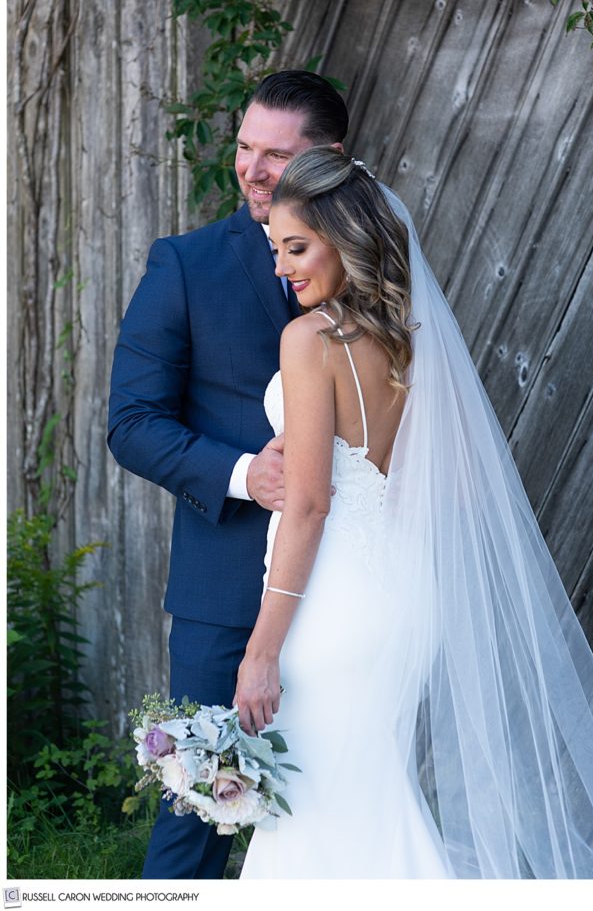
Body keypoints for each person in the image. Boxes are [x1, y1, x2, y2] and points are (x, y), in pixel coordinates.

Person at [234, 146, 593, 879]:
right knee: (364, 800)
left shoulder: (310, 342)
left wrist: (261, 651)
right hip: (403, 601)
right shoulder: (411, 339)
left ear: (344, 237)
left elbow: (306, 507)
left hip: (333, 609)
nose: (282, 266)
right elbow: (450, 486)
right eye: (275, 249)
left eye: (296, 247)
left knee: (316, 814)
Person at [107, 72, 347, 879]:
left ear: (329, 157)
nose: (250, 168)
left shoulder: (381, 269)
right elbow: (131, 424)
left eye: (276, 154)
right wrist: (247, 473)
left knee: (343, 804)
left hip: (357, 583)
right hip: (227, 590)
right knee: (198, 821)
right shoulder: (184, 266)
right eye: (245, 146)